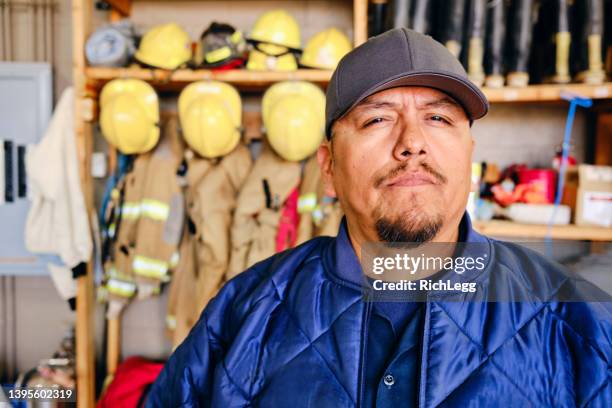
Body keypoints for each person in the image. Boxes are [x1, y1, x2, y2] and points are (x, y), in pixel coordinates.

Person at [147, 28, 611, 407]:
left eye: (439, 119)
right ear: (328, 168)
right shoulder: (241, 315)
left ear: (470, 157)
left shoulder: (580, 324)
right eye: (376, 120)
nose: (412, 142)